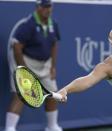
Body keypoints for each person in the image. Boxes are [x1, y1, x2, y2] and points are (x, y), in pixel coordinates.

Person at [5, 0, 62, 131]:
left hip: (45, 63)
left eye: (50, 6)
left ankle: (52, 126)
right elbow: (16, 46)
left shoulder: (53, 24)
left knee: (52, 93)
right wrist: (23, 70)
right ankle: (10, 128)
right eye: (45, 6)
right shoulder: (28, 24)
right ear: (38, 8)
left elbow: (54, 45)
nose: (48, 9)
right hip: (25, 60)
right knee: (20, 94)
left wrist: (52, 67)